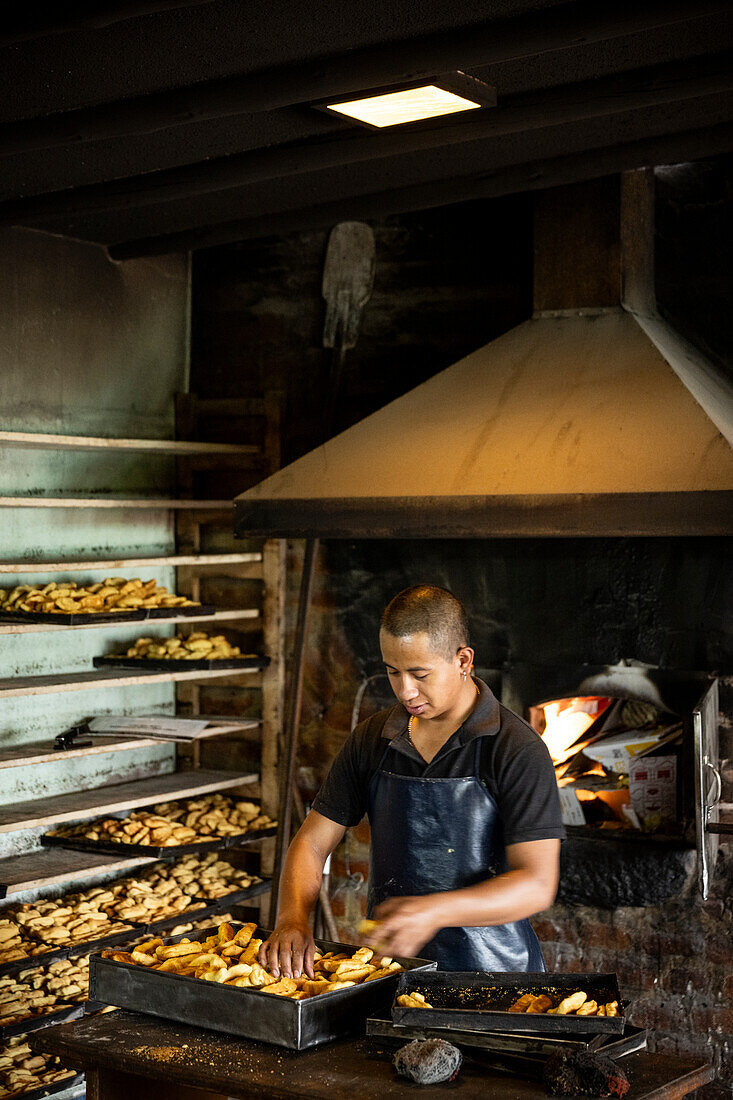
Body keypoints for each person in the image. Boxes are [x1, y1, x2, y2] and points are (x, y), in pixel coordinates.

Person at [261, 584, 564, 979]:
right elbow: (313, 841)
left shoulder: (516, 748)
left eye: (420, 674)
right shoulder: (373, 738)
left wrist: (435, 910)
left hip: (496, 979)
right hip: (392, 972)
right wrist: (292, 918)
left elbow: (537, 884)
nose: (405, 690)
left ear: (463, 660)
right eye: (392, 672)